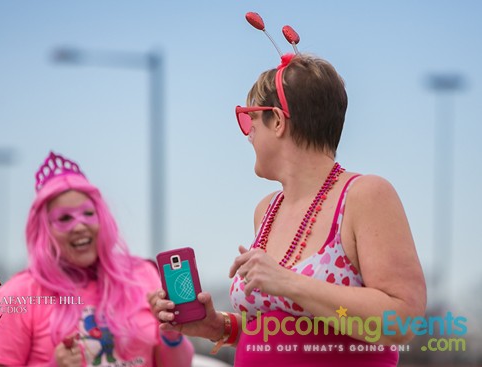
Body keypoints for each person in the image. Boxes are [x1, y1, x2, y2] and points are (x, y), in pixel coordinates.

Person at [152, 52, 426, 366]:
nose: (248, 134)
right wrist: (219, 327)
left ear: (278, 121)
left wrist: (289, 282)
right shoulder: (266, 210)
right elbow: (288, 334)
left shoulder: (366, 195)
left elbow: (402, 319)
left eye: (249, 119)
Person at [0, 152, 194, 367]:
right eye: (64, 218)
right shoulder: (19, 293)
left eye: (88, 214)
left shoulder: (142, 275)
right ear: (44, 231)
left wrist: (172, 333)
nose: (80, 226)